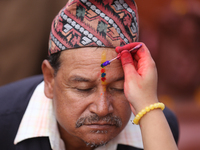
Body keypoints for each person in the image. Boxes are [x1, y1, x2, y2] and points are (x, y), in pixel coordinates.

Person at [0, 0, 179, 150]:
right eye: (83, 88)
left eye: (118, 88)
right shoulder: (4, 120)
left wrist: (149, 111)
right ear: (49, 80)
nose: (102, 108)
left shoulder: (155, 124)